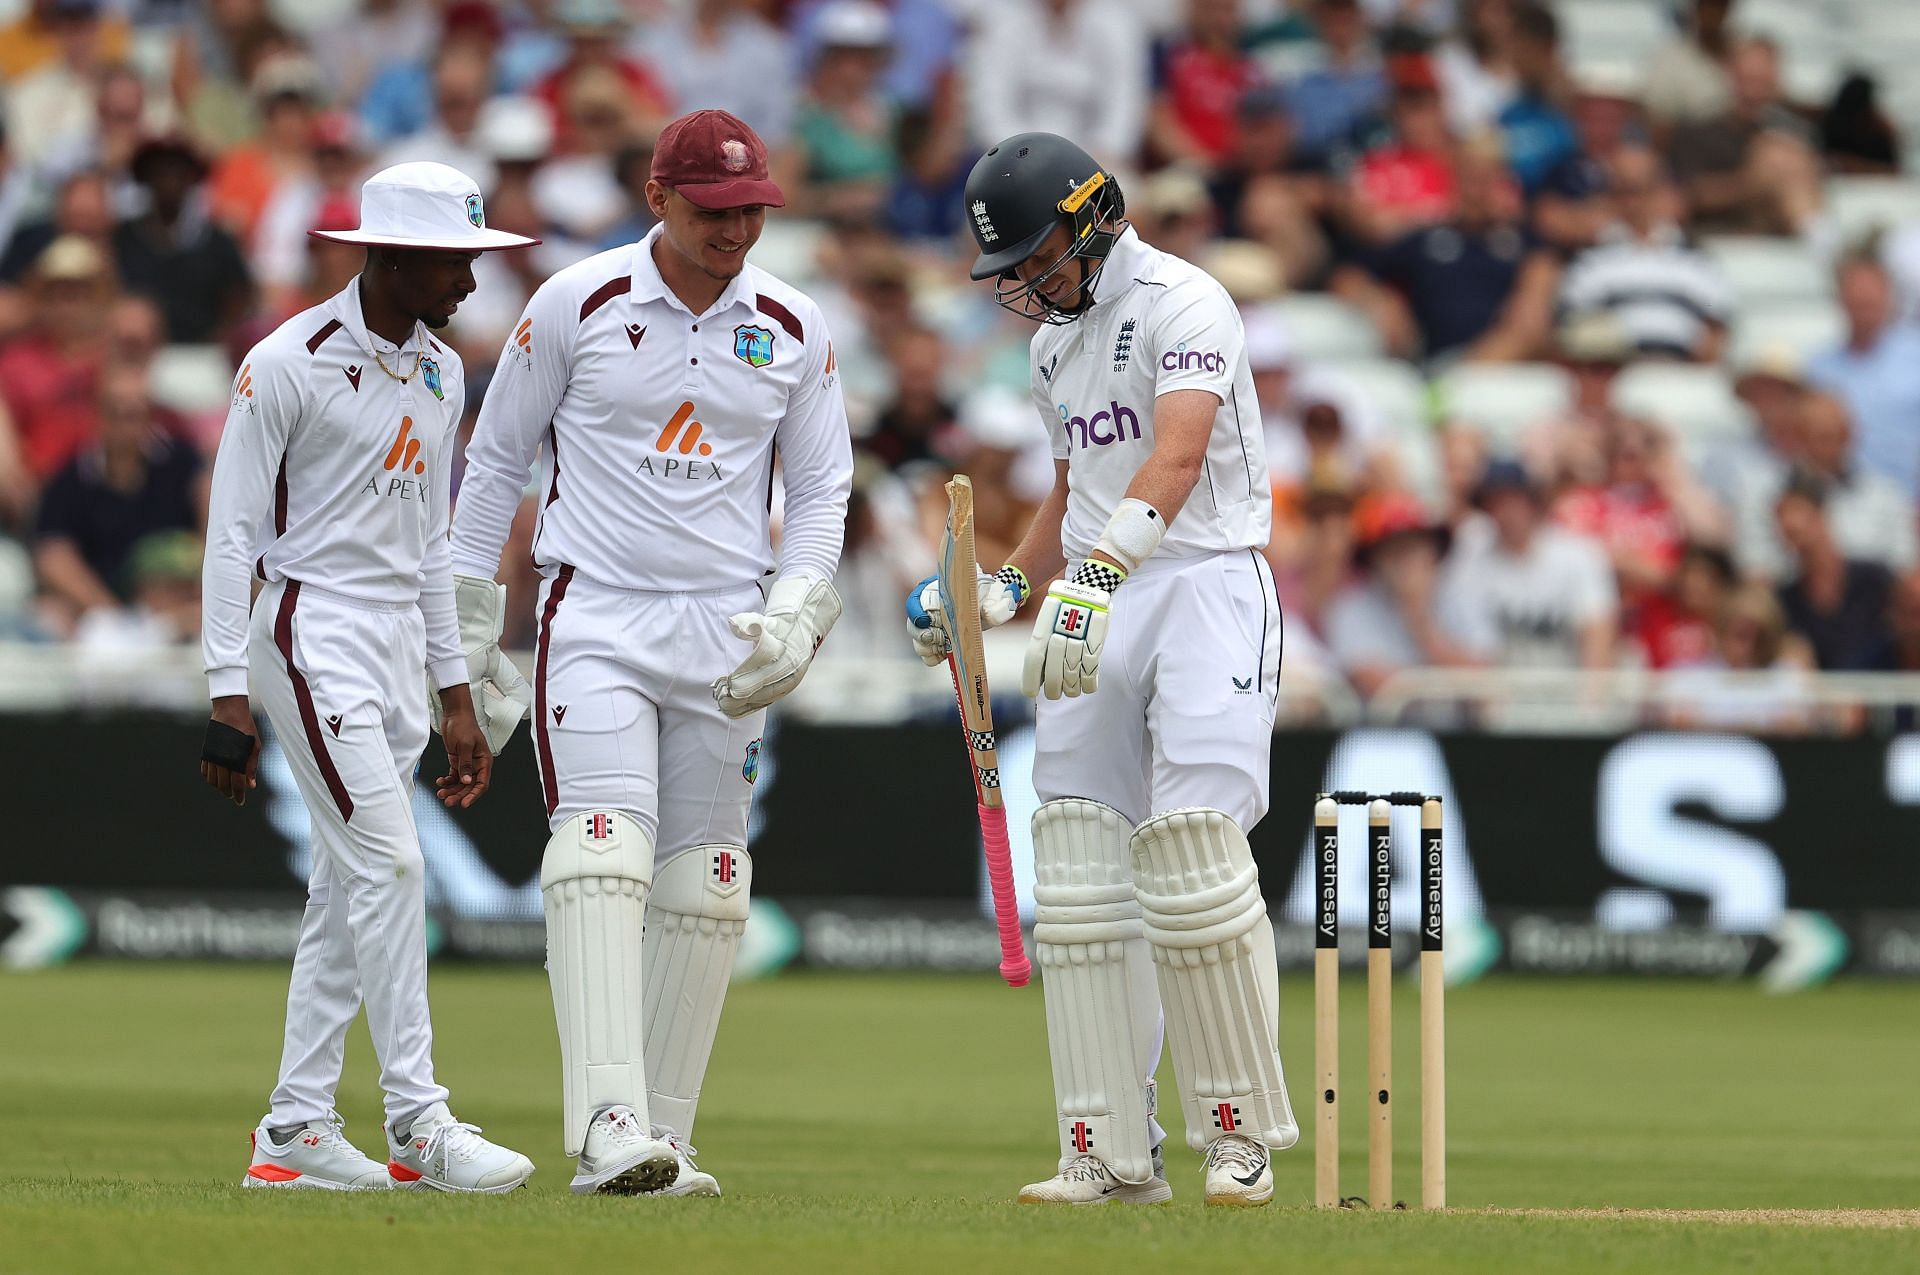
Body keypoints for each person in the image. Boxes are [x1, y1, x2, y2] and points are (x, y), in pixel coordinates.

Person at [448, 110, 852, 1197]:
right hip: (599, 616)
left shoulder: (794, 323)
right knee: (601, 855)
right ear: (657, 200)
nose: (737, 231)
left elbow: (819, 489)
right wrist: (467, 627)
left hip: (727, 626)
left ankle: (666, 1136)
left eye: (752, 210)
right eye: (715, 211)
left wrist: (802, 607)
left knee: (713, 885)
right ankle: (607, 1122)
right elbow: (494, 468)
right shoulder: (574, 303)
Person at [910, 132, 1294, 1207]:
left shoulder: (1188, 301)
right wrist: (1001, 590)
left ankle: (1237, 1134)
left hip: (1203, 582)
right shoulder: (1051, 350)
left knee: (1194, 860)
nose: (1028, 284)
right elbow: (1076, 492)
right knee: (1080, 870)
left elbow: (1175, 458)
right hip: (1095, 598)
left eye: (1038, 257)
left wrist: (1099, 575)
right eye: (1014, 270)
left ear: (1094, 219)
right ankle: (1109, 1147)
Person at [198, 162, 539, 1193]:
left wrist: (454, 697)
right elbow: (232, 537)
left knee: (346, 885)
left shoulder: (441, 374)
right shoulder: (287, 362)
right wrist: (225, 694)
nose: (472, 286)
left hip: (396, 646)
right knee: (391, 869)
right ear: (392, 255)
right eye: (455, 264)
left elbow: (433, 547)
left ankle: (296, 1129)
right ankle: (418, 1124)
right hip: (310, 631)